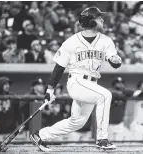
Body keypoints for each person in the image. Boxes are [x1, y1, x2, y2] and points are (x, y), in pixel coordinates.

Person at [30, 7, 122, 152]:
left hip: (92, 84)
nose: (102, 20)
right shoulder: (71, 42)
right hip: (77, 81)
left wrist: (115, 60)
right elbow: (59, 67)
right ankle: (102, 140)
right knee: (105, 96)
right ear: (91, 21)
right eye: (99, 18)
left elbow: (113, 61)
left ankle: (40, 135)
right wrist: (50, 90)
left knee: (77, 122)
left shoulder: (106, 41)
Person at [0, 77, 20, 141]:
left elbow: (18, 113)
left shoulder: (13, 96)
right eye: (5, 84)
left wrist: (18, 125)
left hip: (11, 130)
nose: (7, 86)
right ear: (1, 85)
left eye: (8, 84)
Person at [108, 77, 131, 141]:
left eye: (121, 83)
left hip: (119, 124)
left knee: (119, 144)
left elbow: (132, 92)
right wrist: (120, 94)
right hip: (109, 124)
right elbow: (112, 93)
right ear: (114, 85)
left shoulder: (125, 93)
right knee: (109, 145)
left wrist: (123, 91)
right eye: (118, 83)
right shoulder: (109, 93)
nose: (120, 85)